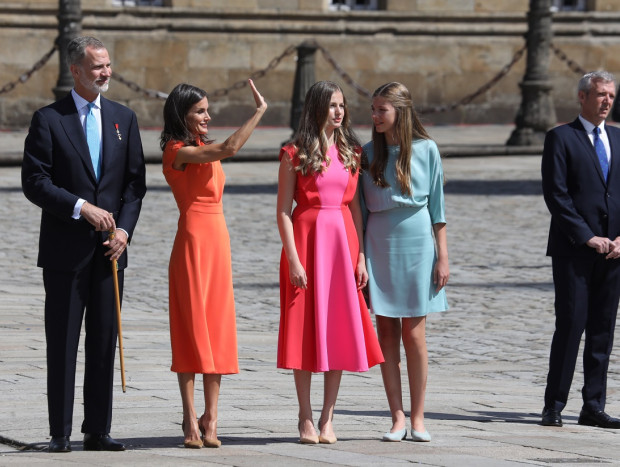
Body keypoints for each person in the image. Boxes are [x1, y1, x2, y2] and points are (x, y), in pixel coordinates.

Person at [21, 36, 146, 453]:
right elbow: (35, 181)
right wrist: (80, 207)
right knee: (63, 341)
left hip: (110, 254)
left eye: (108, 65)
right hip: (64, 253)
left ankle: (97, 429)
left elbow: (134, 186)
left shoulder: (123, 119)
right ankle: (60, 432)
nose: (105, 73)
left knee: (103, 340)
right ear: (75, 70)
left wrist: (124, 231)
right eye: (97, 67)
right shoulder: (48, 120)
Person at [161, 80, 267, 448]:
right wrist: (258, 113)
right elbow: (232, 147)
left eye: (207, 110)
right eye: (200, 111)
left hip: (217, 239)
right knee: (192, 328)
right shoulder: (177, 151)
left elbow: (222, 149)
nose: (208, 116)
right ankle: (190, 419)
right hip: (192, 239)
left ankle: (212, 420)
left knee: (217, 326)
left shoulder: (202, 147)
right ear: (182, 115)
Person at [276, 80, 384, 445]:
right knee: (305, 331)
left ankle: (327, 418)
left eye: (342, 106)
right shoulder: (294, 153)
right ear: (317, 108)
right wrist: (293, 258)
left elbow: (356, 208)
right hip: (306, 245)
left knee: (337, 330)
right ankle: (305, 416)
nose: (339, 112)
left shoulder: (353, 153)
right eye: (332, 105)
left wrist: (361, 257)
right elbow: (283, 211)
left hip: (342, 247)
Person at [360, 82, 449, 443]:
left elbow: (438, 210)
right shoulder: (366, 153)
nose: (375, 116)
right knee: (386, 334)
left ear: (400, 110)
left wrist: (443, 256)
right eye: (373, 110)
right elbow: (360, 213)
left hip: (417, 243)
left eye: (382, 109)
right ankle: (396, 416)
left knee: (414, 334)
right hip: (379, 243)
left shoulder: (428, 150)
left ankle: (418, 417)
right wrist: (362, 258)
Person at [541, 70, 620, 429]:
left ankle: (593, 404)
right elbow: (556, 195)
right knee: (571, 326)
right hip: (575, 250)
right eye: (601, 94)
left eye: (611, 96)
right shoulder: (561, 138)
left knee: (603, 329)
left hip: (614, 252)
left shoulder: (618, 138)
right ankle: (554, 404)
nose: (606, 101)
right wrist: (587, 236)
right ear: (583, 97)